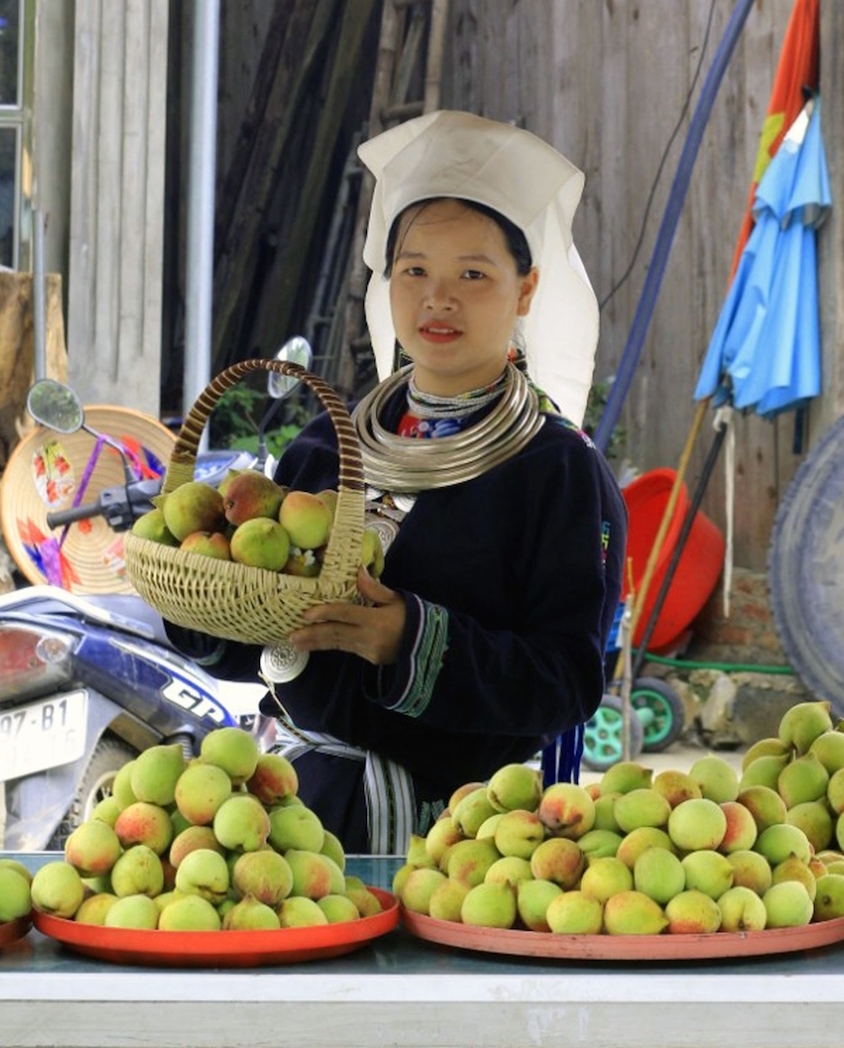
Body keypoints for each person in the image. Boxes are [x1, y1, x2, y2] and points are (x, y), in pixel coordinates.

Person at [167, 110, 626, 854]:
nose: (437, 298)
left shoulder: (556, 469)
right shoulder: (328, 446)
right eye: (414, 270)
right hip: (290, 820)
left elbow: (568, 679)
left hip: (464, 843)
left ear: (526, 289)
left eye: (472, 274)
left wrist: (407, 640)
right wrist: (203, 597)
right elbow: (268, 645)